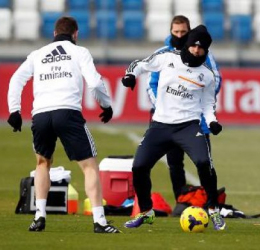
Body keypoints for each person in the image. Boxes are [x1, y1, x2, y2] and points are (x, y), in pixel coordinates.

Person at [7, 16, 120, 233]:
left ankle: (39, 216)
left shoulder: (37, 54)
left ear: (54, 33)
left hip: (40, 115)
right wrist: (106, 105)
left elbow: (16, 80)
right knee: (89, 167)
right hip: (67, 112)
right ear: (75, 34)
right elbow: (95, 82)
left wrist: (15, 110)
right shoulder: (79, 52)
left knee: (42, 164)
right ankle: (99, 221)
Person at [121, 25, 226, 231]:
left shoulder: (207, 75)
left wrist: (212, 121)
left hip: (188, 126)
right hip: (160, 125)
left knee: (204, 162)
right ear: (188, 44)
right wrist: (130, 75)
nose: (197, 50)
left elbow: (207, 104)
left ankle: (213, 209)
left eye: (201, 48)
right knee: (139, 166)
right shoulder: (167, 57)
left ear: (206, 50)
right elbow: (139, 64)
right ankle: (146, 212)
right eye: (194, 45)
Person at [146, 15, 222, 201]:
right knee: (174, 163)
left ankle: (210, 204)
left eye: (183, 32)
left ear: (190, 32)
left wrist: (194, 101)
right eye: (176, 32)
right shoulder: (163, 54)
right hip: (168, 120)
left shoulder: (204, 54)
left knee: (204, 163)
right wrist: (162, 105)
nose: (179, 35)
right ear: (171, 32)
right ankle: (180, 200)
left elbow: (216, 81)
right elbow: (151, 84)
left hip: (197, 121)